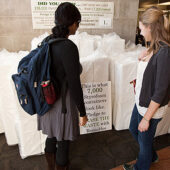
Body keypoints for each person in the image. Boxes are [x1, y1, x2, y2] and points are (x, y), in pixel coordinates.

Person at [37, 2, 88, 170]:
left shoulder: (47, 41)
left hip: (46, 101)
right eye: (77, 23)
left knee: (51, 136)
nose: (77, 27)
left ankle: (50, 167)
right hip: (62, 105)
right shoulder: (68, 47)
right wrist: (82, 112)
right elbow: (74, 83)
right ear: (71, 23)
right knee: (63, 141)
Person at [123, 6, 170, 170]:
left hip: (151, 109)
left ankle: (141, 166)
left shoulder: (164, 53)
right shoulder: (154, 47)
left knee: (144, 142)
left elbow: (160, 91)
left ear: (150, 27)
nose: (140, 33)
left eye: (142, 29)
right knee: (133, 129)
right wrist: (144, 55)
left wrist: (146, 119)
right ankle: (152, 155)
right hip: (141, 103)